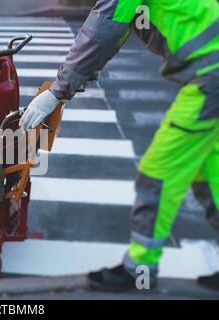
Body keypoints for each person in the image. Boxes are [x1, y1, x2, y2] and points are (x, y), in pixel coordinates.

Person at [19, 0, 219, 291]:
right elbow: (123, 26)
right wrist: (84, 73)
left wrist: (57, 92)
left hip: (210, 77)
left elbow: (105, 27)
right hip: (211, 70)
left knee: (159, 173)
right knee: (210, 172)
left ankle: (140, 270)